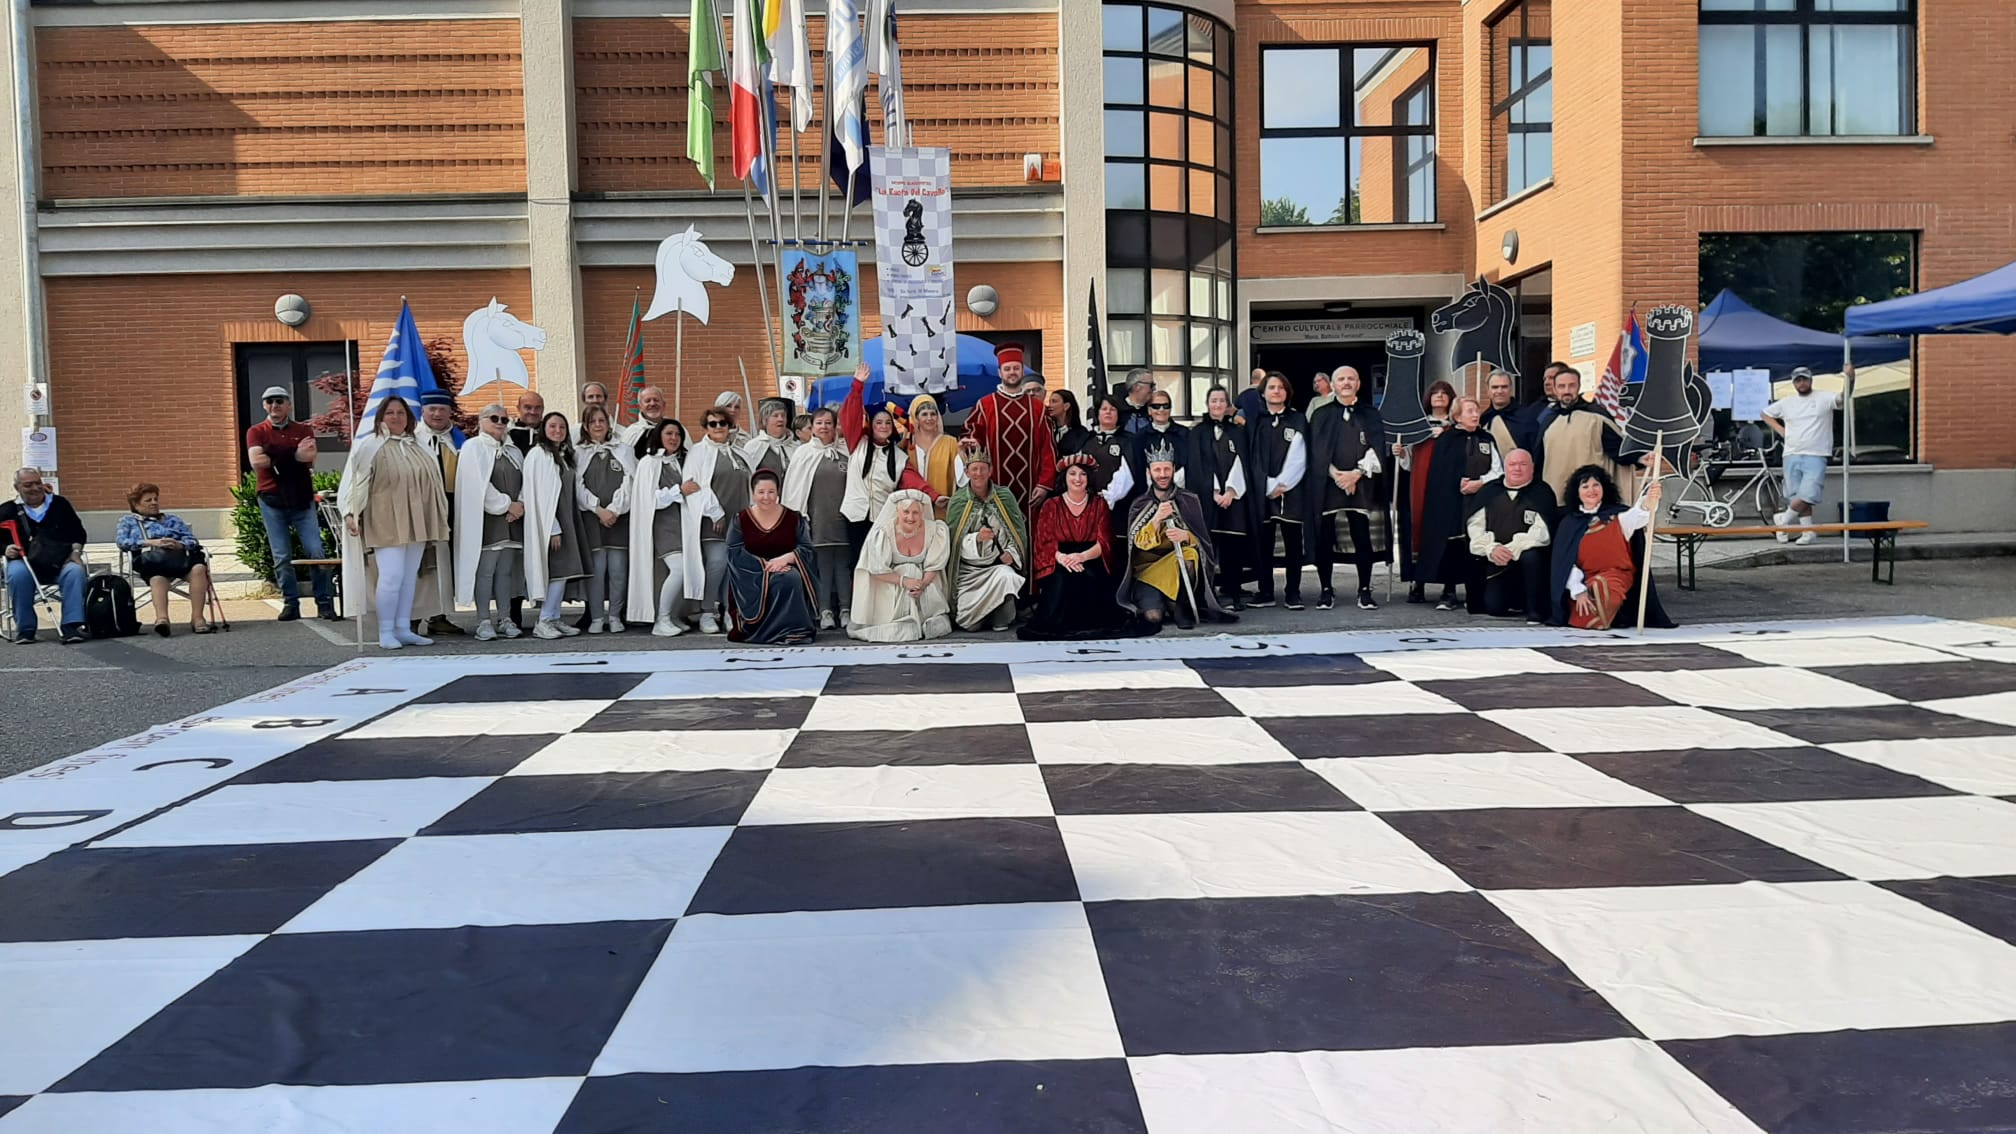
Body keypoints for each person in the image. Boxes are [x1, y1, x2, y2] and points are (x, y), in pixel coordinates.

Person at [338, 395, 451, 650]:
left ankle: (403, 627)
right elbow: (358, 481)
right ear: (380, 417)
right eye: (390, 413)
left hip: (417, 518)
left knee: (410, 576)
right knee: (391, 576)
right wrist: (351, 512)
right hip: (385, 517)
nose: (396, 417)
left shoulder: (420, 445)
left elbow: (434, 482)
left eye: (401, 413)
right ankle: (386, 630)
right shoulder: (371, 446)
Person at [1018, 458, 1140, 641]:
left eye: (1083, 474)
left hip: (1091, 556)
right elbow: (1044, 542)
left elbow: (1105, 541)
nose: (1078, 478)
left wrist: (1082, 556)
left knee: (1088, 577)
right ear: (1064, 477)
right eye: (1072, 473)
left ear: (1089, 478)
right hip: (1059, 558)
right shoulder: (1051, 505)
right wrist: (1063, 558)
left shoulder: (1099, 504)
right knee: (1061, 579)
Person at [1121, 439, 1235, 631]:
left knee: (1190, 554)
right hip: (1148, 572)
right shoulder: (1140, 504)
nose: (1162, 475)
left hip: (1177, 569)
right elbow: (1137, 544)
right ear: (1149, 473)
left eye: (1166, 469)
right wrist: (1156, 520)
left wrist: (1187, 536)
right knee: (1153, 617)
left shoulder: (1188, 500)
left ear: (1174, 469)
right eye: (1157, 470)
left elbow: (1203, 544)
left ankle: (1181, 606)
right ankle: (1165, 603)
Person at [244, 386, 336, 622]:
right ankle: (290, 603)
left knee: (316, 552)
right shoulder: (256, 432)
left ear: (289, 405)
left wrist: (274, 455)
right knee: (282, 555)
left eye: (279, 401)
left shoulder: (304, 429)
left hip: (301, 499)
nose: (275, 405)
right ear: (264, 406)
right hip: (272, 499)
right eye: (270, 401)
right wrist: (293, 454)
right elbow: (256, 462)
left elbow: (309, 456)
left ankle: (324, 603)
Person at [1551, 465, 1671, 631]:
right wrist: (1578, 591)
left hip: (1617, 575)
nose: (1591, 490)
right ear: (1577, 493)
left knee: (1603, 588)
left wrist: (1650, 501)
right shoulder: (1569, 524)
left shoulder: (1618, 516)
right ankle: (1609, 616)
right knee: (1588, 596)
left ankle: (1605, 617)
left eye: (1596, 485)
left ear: (1604, 488)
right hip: (1584, 580)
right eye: (1585, 486)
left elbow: (1640, 516)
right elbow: (1564, 563)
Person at [1307, 367, 1385, 611]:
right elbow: (1315, 450)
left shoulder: (1371, 414)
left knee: (1361, 537)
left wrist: (1356, 475)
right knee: (1325, 537)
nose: (1346, 382)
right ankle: (1326, 589)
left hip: (1359, 483)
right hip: (1329, 483)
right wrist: (1335, 475)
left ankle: (1364, 590)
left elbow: (1377, 448)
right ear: (1333, 384)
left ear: (1359, 383)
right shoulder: (1321, 414)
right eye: (1341, 379)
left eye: (1351, 378)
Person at [1415, 397, 1502, 611]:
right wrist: (1457, 482)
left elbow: (1497, 469)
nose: (1475, 414)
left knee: (1476, 541)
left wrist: (1479, 483)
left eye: (1476, 410)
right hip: (1451, 500)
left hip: (1481, 498)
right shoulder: (1447, 440)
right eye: (1469, 411)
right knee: (1451, 542)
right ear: (1457, 416)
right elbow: (1440, 471)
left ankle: (1476, 591)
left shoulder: (1487, 438)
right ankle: (1449, 590)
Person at [678, 407, 755, 634]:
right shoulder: (698, 452)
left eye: (723, 423)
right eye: (713, 423)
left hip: (739, 519)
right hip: (713, 520)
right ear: (705, 427)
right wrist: (715, 511)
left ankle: (730, 611)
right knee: (716, 564)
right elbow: (693, 485)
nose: (719, 427)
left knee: (733, 568)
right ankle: (707, 611)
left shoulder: (740, 453)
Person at [454, 404, 527, 641]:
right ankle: (483, 619)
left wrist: (520, 505)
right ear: (481, 420)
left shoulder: (514, 451)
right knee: (486, 571)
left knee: (506, 571)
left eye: (504, 419)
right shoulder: (473, 447)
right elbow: (478, 484)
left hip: (513, 519)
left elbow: (526, 480)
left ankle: (505, 617)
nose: (499, 422)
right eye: (494, 418)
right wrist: (507, 505)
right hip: (487, 519)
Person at [724, 467, 819, 645]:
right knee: (783, 578)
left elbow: (806, 548)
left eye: (771, 492)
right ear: (753, 493)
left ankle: (792, 630)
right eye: (761, 492)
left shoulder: (793, 518)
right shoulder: (741, 519)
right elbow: (733, 551)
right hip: (750, 573)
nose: (766, 497)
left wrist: (787, 558)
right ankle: (764, 631)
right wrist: (766, 566)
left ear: (778, 493)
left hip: (787, 565)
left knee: (790, 577)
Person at [520, 412, 592, 639]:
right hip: (553, 522)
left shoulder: (562, 455)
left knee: (563, 572)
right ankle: (544, 620)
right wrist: (553, 528)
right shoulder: (539, 454)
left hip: (568, 517)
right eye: (552, 426)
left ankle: (554, 616)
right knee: (557, 572)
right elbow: (541, 496)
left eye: (562, 427)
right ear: (544, 428)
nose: (558, 430)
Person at [848, 488, 952, 643]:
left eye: (915, 512)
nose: (910, 517)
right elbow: (877, 570)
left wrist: (921, 585)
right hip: (893, 585)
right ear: (898, 512)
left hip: (924, 583)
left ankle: (924, 618)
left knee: (914, 571)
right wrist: (905, 581)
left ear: (922, 512)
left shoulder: (936, 530)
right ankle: (901, 619)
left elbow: (934, 566)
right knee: (907, 569)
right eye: (906, 512)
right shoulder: (883, 533)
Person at [1183, 386, 1254, 610]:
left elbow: (1241, 463)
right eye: (1213, 401)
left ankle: (1232, 593)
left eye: (1222, 401)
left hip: (1233, 499)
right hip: (1207, 499)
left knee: (1232, 548)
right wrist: (1213, 492)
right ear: (1207, 404)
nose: (1217, 405)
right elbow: (1196, 465)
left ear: (1227, 405)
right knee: (1207, 548)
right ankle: (1206, 594)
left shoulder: (1238, 432)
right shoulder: (1197, 433)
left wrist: (1231, 491)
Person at [963, 342, 1056, 510]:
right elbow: (971, 443)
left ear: (1022, 370)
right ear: (999, 372)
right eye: (1007, 369)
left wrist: (1044, 484)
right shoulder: (985, 406)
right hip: (993, 488)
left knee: (1028, 534)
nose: (1012, 372)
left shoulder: (1037, 409)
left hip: (1031, 490)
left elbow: (1048, 448)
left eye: (1016, 368)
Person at [783, 407, 853, 629]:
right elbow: (794, 489)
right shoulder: (803, 454)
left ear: (835, 426)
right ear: (812, 427)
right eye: (819, 423)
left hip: (844, 519)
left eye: (828, 423)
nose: (824, 427)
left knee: (843, 566)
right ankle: (824, 611)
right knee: (822, 567)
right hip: (817, 519)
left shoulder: (846, 452)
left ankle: (845, 610)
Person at [943, 448, 1027, 631]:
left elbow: (1018, 533)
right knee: (968, 623)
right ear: (967, 472)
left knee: (1008, 577)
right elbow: (953, 542)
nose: (979, 473)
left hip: (996, 567)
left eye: (983, 469)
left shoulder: (1005, 497)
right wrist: (976, 539)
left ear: (990, 471)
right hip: (968, 573)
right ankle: (978, 618)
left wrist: (1012, 554)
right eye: (974, 469)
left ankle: (1000, 619)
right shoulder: (958, 501)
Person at [1245, 371, 1310, 609]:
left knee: (1293, 544)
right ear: (1263, 392)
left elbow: (1300, 456)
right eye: (1271, 387)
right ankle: (1265, 592)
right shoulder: (1255, 422)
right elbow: (1251, 459)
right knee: (1264, 544)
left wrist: (1284, 483)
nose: (1276, 391)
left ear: (1287, 392)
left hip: (1291, 492)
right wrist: (1267, 485)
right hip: (1263, 492)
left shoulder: (1298, 420)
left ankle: (1293, 592)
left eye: (1281, 387)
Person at [2, 467, 89, 643]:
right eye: (28, 485)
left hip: (59, 559)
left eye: (37, 483)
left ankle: (71, 626)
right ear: (17, 487)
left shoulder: (59, 504)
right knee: (17, 574)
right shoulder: (7, 510)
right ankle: (25, 629)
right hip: (24, 561)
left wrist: (76, 552)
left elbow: (78, 532)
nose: (34, 488)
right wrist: (6, 549)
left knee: (75, 571)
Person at [1466, 448, 1555, 620]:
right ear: (1505, 467)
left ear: (1532, 467)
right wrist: (1491, 549)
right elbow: (1475, 528)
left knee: (1532, 556)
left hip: (1528, 564)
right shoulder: (1489, 491)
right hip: (1495, 562)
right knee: (1494, 608)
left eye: (1523, 464)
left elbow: (1541, 533)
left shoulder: (1542, 493)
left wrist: (1511, 550)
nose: (1517, 469)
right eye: (1512, 464)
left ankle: (1534, 610)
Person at [117, 483, 215, 636]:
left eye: (155, 499)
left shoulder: (172, 520)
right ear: (136, 504)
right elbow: (122, 542)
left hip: (179, 560)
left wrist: (180, 545)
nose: (154, 503)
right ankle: (162, 620)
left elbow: (192, 540)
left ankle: (198, 618)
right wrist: (149, 542)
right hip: (152, 562)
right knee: (157, 579)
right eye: (148, 500)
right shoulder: (128, 522)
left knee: (199, 569)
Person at [625, 418, 692, 637]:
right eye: (669, 434)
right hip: (663, 525)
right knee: (679, 569)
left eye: (677, 434)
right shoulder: (649, 463)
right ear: (659, 436)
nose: (674, 438)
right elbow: (650, 499)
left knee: (686, 571)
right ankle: (661, 619)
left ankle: (672, 615)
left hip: (685, 524)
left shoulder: (684, 462)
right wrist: (678, 491)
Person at [1764, 365, 1843, 545]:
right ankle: (1807, 531)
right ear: (1793, 383)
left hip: (1816, 453)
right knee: (1796, 494)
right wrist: (1780, 430)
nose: (1802, 383)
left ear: (1810, 380)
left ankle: (1783, 520)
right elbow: (1765, 413)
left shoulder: (1824, 397)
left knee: (1810, 492)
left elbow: (1842, 398)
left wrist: (1850, 379)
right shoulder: (1787, 402)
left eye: (1804, 379)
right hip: (1791, 453)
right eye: (1798, 380)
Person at [1394, 379, 1457, 603]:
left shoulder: (1455, 427)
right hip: (1422, 481)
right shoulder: (1418, 427)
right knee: (1420, 527)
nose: (1439, 396)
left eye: (1444, 393)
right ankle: (1418, 582)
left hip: (1447, 486)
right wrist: (1401, 452)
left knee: (1447, 531)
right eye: (1435, 393)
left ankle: (1449, 585)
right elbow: (1409, 461)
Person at [1536, 366, 1635, 507]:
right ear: (1555, 389)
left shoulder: (1596, 417)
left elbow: (1617, 449)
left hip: (1590, 497)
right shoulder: (1547, 420)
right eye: (1561, 386)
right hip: (1555, 495)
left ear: (1579, 386)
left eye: (1571, 385)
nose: (1566, 390)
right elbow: (1539, 459)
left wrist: (1639, 458)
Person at [576, 405, 634, 633]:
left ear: (609, 424)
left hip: (618, 520)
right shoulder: (579, 452)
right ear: (586, 427)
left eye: (602, 420)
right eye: (593, 422)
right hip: (593, 521)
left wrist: (615, 509)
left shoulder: (623, 450)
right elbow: (577, 486)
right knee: (597, 572)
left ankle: (615, 615)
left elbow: (629, 481)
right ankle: (597, 617)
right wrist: (598, 509)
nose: (598, 425)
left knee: (618, 571)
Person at [412, 391, 464, 636]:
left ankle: (438, 615)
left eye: (442, 409)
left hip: (451, 507)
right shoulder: (412, 439)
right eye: (432, 409)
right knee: (421, 564)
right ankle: (412, 617)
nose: (437, 414)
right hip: (422, 509)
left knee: (443, 564)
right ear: (423, 411)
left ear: (449, 412)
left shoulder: (458, 439)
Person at [842, 408, 904, 575]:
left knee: (878, 563)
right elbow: (850, 416)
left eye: (888, 423)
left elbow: (911, 480)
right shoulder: (858, 444)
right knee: (856, 562)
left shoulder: (900, 457)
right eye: (879, 422)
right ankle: (857, 599)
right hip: (854, 515)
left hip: (881, 517)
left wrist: (935, 496)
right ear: (871, 425)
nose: (883, 426)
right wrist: (858, 386)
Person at [1125, 388, 1189, 506]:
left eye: (1166, 406)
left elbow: (1190, 465)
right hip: (1148, 498)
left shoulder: (1185, 434)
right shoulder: (1139, 438)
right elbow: (1136, 469)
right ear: (1149, 410)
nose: (1161, 410)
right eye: (1156, 406)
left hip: (1180, 497)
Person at [905, 394, 966, 514]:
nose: (929, 418)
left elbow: (962, 477)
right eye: (924, 414)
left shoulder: (950, 442)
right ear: (916, 418)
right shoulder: (907, 444)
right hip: (911, 511)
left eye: (933, 414)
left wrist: (963, 454)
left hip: (942, 508)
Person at [743, 398, 800, 479]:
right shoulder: (753, 446)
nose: (780, 419)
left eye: (783, 416)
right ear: (764, 420)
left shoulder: (796, 446)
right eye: (775, 415)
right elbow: (747, 477)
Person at [1481, 369, 1532, 455]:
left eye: (1504, 387)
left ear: (1511, 389)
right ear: (1488, 391)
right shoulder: (1484, 419)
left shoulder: (1526, 417)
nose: (1500, 391)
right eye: (1495, 387)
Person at [621, 386, 671, 460]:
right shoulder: (631, 432)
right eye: (647, 401)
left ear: (664, 405)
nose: (652, 404)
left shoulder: (676, 429)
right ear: (640, 407)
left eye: (656, 400)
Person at [1047, 388, 1088, 457]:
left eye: (1054, 401)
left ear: (1066, 406)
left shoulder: (1080, 434)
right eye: (1050, 402)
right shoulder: (1049, 431)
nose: (1050, 406)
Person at [1119, 370, 1156, 435]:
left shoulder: (1155, 409)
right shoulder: (1116, 410)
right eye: (1151, 385)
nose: (1154, 389)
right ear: (1137, 387)